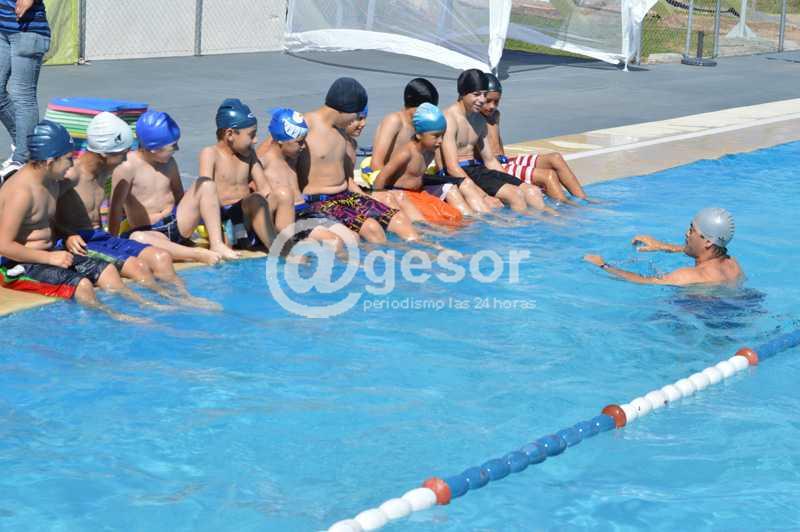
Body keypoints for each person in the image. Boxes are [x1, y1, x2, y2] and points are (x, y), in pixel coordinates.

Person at [56, 112, 203, 307]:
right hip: (81, 242)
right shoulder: (70, 176)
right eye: (123, 153)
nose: (127, 158)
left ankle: (185, 299)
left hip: (101, 237)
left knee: (161, 257)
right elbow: (42, 214)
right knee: (139, 267)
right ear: (105, 154)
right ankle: (152, 307)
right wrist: (66, 234)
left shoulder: (104, 170)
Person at [0, 119, 135, 321]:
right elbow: (3, 246)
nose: (72, 165)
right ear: (50, 161)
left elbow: (43, 221)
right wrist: (49, 259)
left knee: (108, 271)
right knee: (82, 286)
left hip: (49, 254)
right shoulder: (21, 192)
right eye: (68, 159)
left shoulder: (51, 181)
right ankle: (112, 321)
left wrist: (67, 234)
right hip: (17, 266)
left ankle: (140, 309)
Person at [296, 77, 419, 244]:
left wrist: (369, 200)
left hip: (346, 196)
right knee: (371, 228)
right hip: (319, 201)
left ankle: (427, 251)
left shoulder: (342, 134)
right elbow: (271, 153)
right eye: (357, 116)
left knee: (399, 219)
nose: (357, 122)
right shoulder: (304, 124)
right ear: (346, 109)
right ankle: (384, 258)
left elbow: (347, 179)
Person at [109, 110, 238, 264]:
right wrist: (111, 243)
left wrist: (199, 221)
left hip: (177, 224)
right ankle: (195, 254)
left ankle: (217, 244)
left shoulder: (169, 163)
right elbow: (115, 208)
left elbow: (179, 196)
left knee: (206, 184)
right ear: (154, 149)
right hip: (150, 232)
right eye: (173, 146)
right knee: (137, 238)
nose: (177, 149)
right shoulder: (127, 167)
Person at [368, 77, 492, 215]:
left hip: (417, 179)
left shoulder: (430, 128)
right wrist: (387, 192)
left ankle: (482, 220)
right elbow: (376, 164)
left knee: (462, 185)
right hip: (396, 183)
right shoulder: (395, 121)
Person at [441, 69, 551, 214]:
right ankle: (520, 228)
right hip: (460, 173)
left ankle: (551, 222)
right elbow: (452, 168)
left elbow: (490, 160)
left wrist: (511, 180)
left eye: (484, 94)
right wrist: (483, 195)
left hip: (478, 170)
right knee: (515, 195)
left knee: (532, 191)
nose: (482, 100)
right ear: (462, 93)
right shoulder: (449, 118)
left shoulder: (478, 119)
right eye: (476, 94)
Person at [257, 107, 355, 252]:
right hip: (291, 217)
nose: (304, 146)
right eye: (299, 142)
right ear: (281, 141)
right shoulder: (263, 163)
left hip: (306, 211)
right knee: (334, 242)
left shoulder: (291, 158)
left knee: (352, 238)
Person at [481, 73, 589, 204]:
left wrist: (509, 162)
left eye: (496, 101)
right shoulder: (475, 119)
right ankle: (568, 209)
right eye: (488, 101)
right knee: (548, 176)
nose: (492, 106)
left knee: (555, 158)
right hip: (493, 167)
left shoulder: (495, 115)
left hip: (504, 161)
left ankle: (584, 200)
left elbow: (497, 143)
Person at [197, 98, 288, 251]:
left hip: (245, 216)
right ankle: (277, 249)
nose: (256, 140)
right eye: (251, 135)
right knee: (254, 203)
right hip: (222, 217)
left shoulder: (249, 155)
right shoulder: (210, 154)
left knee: (282, 195)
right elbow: (205, 195)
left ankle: (285, 240)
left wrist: (266, 209)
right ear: (230, 134)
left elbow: (265, 189)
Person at [584, 207, 743, 285]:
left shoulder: (687, 276)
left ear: (708, 241)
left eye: (692, 230)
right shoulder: (733, 265)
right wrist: (662, 246)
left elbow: (644, 281)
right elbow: (701, 253)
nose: (687, 233)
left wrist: (603, 265)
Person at [367, 103, 465, 227]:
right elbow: (382, 177)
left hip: (419, 193)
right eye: (436, 136)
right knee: (434, 224)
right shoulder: (406, 153)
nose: (440, 141)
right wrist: (378, 204)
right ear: (419, 135)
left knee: (455, 216)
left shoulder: (430, 151)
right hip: (402, 195)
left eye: (442, 135)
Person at [0, 0, 51, 180]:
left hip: (28, 30)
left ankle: (23, 158)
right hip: (2, 28)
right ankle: (24, 145)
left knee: (22, 96)